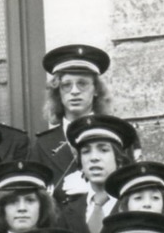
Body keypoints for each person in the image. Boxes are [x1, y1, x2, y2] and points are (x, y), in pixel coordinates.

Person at [56, 114, 138, 233]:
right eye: (86, 151)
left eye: (103, 150)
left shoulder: (134, 206)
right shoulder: (68, 212)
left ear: (119, 159)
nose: (94, 158)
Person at [32, 44, 112, 191]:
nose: (74, 91)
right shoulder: (42, 145)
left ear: (96, 90)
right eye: (66, 85)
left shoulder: (116, 137)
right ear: (58, 92)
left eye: (82, 84)